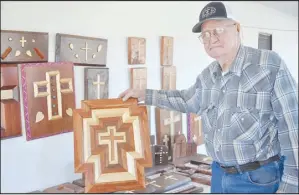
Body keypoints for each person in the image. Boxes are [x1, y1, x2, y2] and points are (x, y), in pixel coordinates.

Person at [118, 1, 298, 193]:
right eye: (205, 34)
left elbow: (293, 126)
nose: (211, 38)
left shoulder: (269, 65)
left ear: (237, 28)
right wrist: (145, 94)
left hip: (258, 179)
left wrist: (291, 185)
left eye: (218, 30)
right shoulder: (207, 76)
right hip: (218, 176)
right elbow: (186, 100)